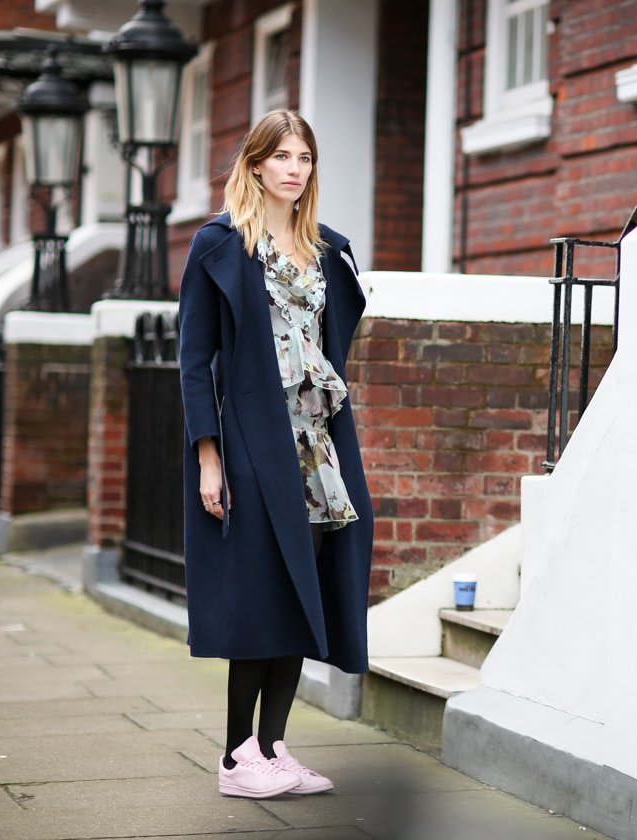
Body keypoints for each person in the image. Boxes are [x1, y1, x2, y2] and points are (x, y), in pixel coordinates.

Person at [178, 109, 373, 799]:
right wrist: (209, 457)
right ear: (256, 163)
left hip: (318, 448)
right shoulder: (220, 245)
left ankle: (273, 745)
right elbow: (194, 360)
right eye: (282, 155)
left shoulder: (326, 249)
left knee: (301, 593)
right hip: (252, 445)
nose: (295, 168)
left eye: (305, 157)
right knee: (259, 596)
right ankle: (235, 757)